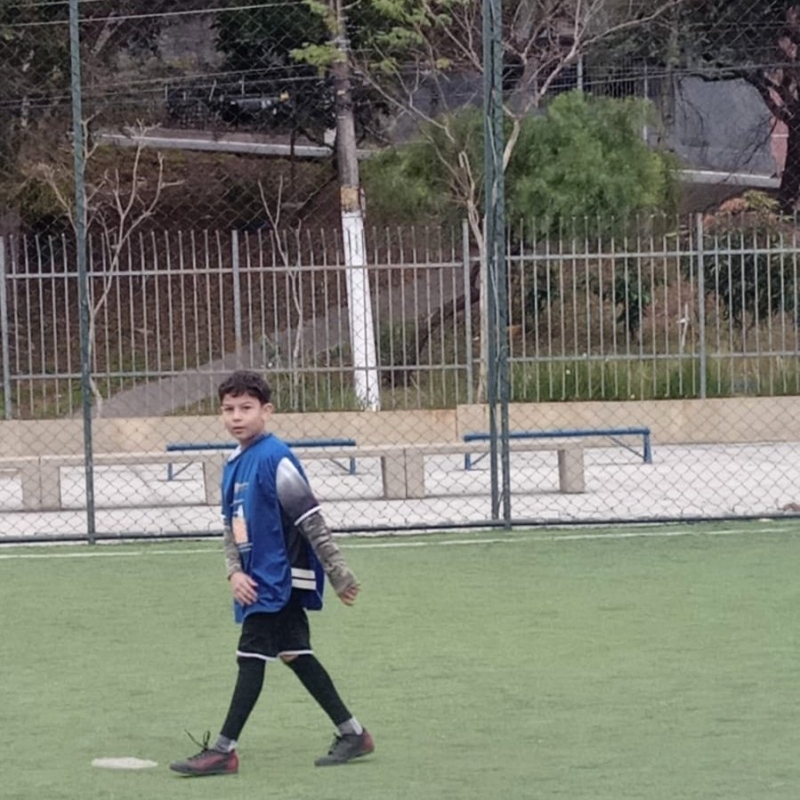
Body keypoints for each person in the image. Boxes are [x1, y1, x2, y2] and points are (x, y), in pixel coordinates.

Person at [170, 370, 373, 777]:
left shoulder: (275, 458)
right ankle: (354, 733)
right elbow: (231, 526)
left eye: (246, 408)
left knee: (251, 655)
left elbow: (311, 519)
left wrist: (338, 573)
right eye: (228, 409)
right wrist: (233, 572)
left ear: (267, 411)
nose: (236, 417)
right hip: (258, 579)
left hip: (279, 578)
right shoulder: (234, 463)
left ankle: (224, 751)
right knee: (294, 653)